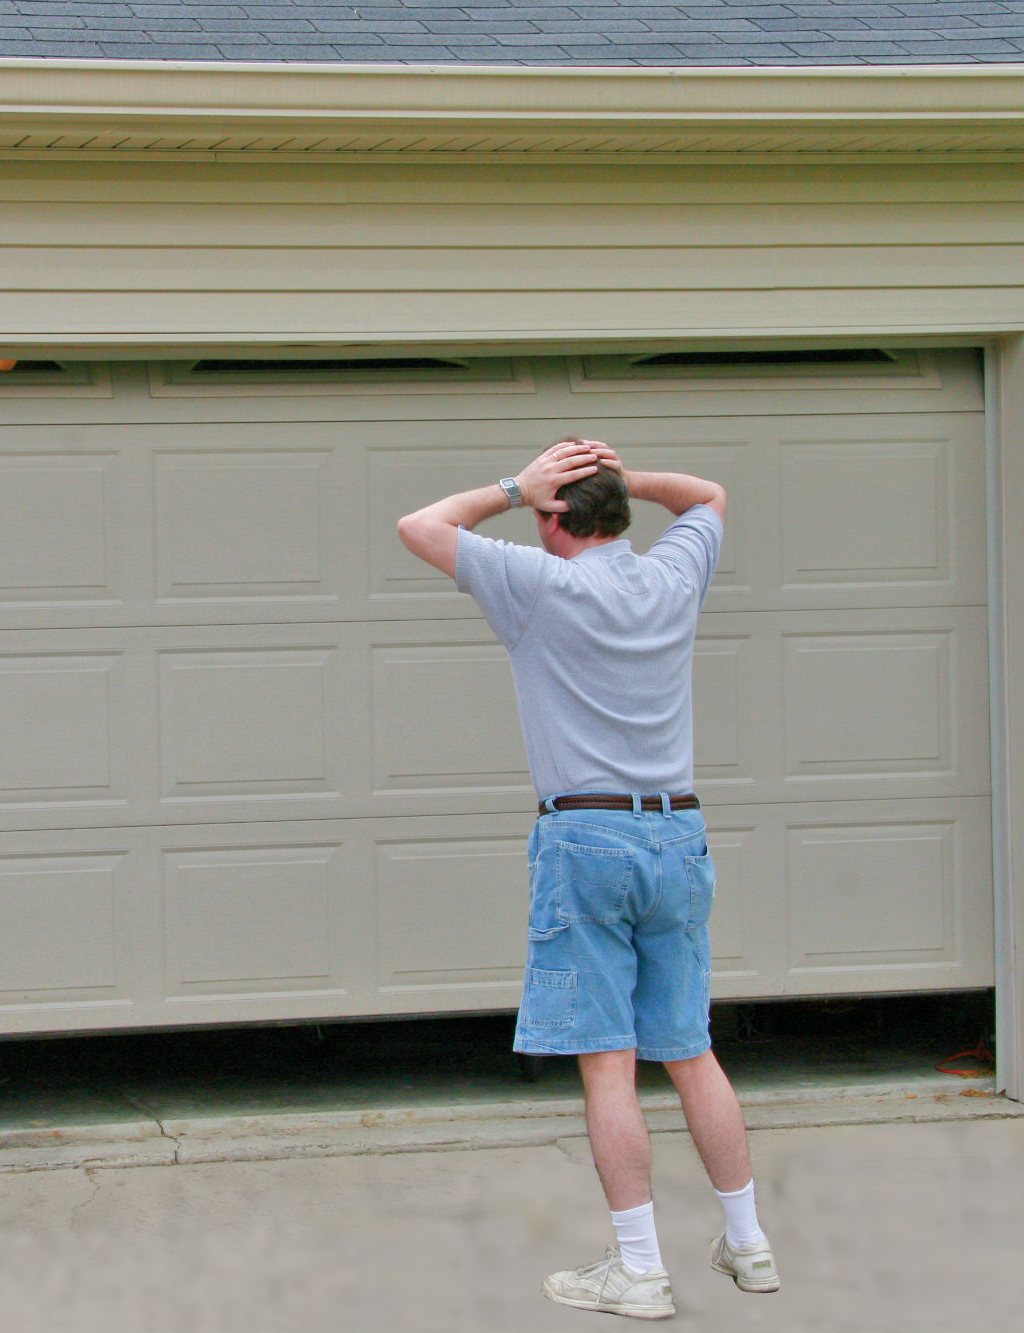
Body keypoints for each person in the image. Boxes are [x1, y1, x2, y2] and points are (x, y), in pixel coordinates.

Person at [396, 439, 779, 1321]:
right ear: (619, 513)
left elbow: (421, 526)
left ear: (552, 518)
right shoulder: (673, 574)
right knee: (689, 1047)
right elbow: (710, 493)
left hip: (586, 836)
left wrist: (513, 485)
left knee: (609, 1062)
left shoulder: (539, 585)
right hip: (676, 831)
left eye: (542, 508)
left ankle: (640, 1271)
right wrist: (619, 477)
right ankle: (750, 1244)